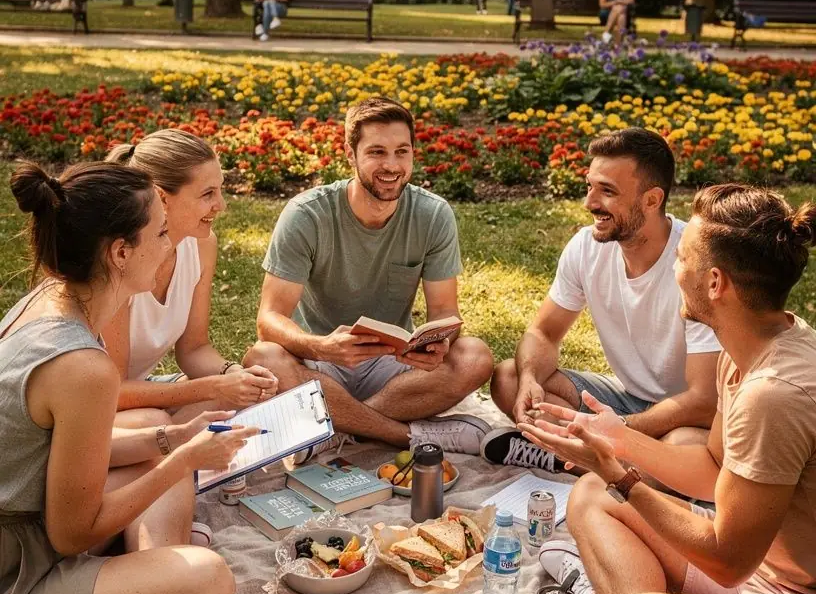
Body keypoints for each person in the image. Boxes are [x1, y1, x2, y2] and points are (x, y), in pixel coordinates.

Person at [525, 183, 816, 594]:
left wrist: (623, 476)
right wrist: (615, 438)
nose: (674, 264)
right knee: (592, 496)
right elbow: (710, 472)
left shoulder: (776, 394)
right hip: (763, 570)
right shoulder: (755, 346)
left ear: (715, 283)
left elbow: (729, 560)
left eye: (683, 256)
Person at [0, 160, 258, 594]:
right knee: (206, 577)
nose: (170, 245)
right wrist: (183, 462)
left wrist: (172, 438)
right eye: (160, 233)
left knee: (147, 431)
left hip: (28, 522)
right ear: (120, 252)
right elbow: (72, 534)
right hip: (14, 583)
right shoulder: (83, 366)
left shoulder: (50, 301)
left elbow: (58, 455)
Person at [244, 97, 495, 455]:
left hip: (392, 367)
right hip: (320, 361)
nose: (391, 166)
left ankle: (335, 427)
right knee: (263, 358)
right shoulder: (306, 214)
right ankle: (406, 436)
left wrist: (439, 343)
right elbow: (269, 320)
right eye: (377, 152)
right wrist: (321, 346)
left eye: (401, 152)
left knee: (475, 356)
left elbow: (444, 311)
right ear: (350, 154)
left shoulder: (433, 214)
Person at [485, 129, 719, 470]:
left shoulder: (695, 264)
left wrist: (616, 429)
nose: (590, 203)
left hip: (685, 418)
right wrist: (532, 378)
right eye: (589, 186)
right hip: (626, 399)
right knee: (511, 378)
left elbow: (704, 401)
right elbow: (544, 333)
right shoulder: (586, 247)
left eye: (607, 191)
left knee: (685, 449)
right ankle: (599, 461)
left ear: (652, 200)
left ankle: (577, 457)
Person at [104, 131, 278, 432]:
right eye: (207, 194)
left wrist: (233, 373)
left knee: (236, 400)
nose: (221, 205)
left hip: (137, 394)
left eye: (220, 191)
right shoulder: (118, 258)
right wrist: (215, 387)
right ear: (161, 197)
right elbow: (113, 391)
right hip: (89, 405)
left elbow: (194, 349)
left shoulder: (200, 245)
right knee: (155, 424)